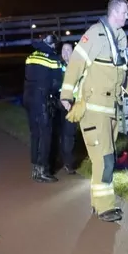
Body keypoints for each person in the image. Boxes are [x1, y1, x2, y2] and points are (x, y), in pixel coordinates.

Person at [59, 0, 128, 223]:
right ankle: (105, 207)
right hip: (93, 110)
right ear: (115, 12)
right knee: (105, 159)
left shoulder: (120, 37)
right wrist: (66, 94)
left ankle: (97, 202)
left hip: (112, 112)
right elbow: (76, 64)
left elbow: (125, 75)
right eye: (125, 12)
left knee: (105, 158)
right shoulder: (95, 35)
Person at [23, 34, 63, 183]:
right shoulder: (52, 58)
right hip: (42, 101)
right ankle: (44, 171)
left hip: (28, 98)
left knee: (35, 134)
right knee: (46, 135)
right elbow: (57, 84)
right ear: (53, 45)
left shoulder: (31, 56)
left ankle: (35, 169)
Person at [54, 42, 77, 174]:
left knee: (69, 135)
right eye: (63, 50)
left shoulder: (77, 67)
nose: (66, 52)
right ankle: (59, 159)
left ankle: (68, 163)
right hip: (58, 103)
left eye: (69, 50)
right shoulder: (57, 65)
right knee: (57, 133)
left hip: (71, 105)